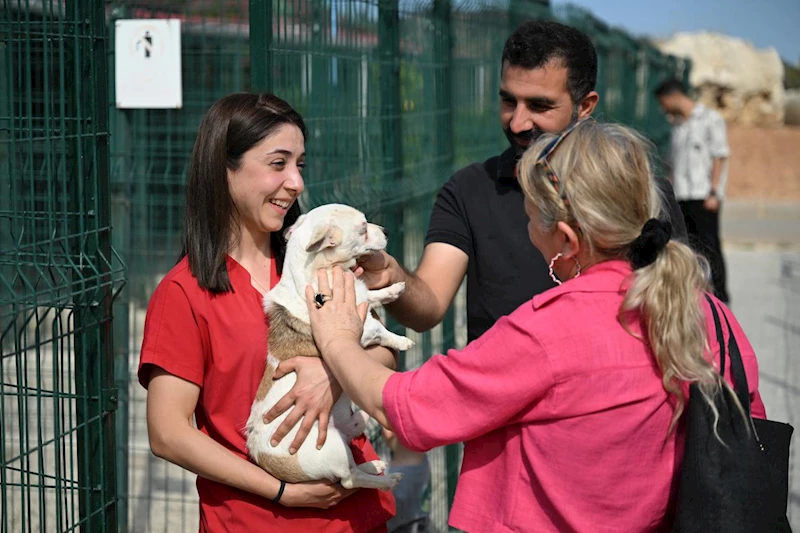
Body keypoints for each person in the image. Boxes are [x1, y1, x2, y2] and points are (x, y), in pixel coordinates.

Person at [304, 120, 766, 532]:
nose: (526, 230)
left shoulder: (550, 331)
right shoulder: (713, 317)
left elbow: (407, 407)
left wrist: (335, 335)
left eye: (528, 218)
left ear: (566, 239)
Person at [137, 92, 396, 532]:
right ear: (225, 169)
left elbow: (384, 358)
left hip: (357, 516)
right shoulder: (183, 292)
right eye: (278, 164)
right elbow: (168, 432)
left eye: (300, 165)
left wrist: (330, 376)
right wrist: (281, 491)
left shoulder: (317, 264)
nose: (296, 182)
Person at [358, 20, 687, 343]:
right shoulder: (471, 188)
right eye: (508, 101)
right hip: (502, 393)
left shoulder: (639, 193)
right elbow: (428, 305)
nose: (517, 123)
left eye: (540, 106)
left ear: (585, 106)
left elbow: (679, 310)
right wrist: (393, 276)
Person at [655, 78, 730, 303]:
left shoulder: (710, 119)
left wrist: (714, 192)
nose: (662, 108)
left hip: (703, 195)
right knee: (685, 246)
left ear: (672, 96)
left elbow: (720, 156)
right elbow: (674, 164)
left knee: (710, 246)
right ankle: (697, 293)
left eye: (663, 103)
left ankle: (721, 297)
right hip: (681, 196)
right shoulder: (678, 125)